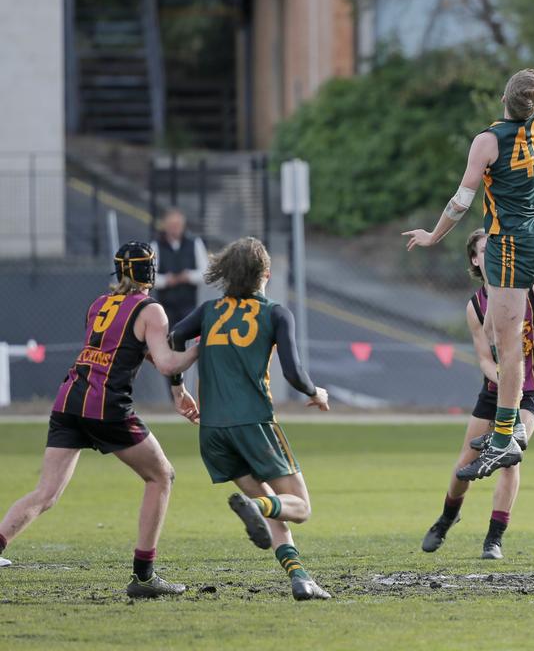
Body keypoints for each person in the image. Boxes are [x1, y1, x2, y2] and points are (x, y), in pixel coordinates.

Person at [404, 0, 534, 480]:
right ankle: (507, 424)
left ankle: (505, 436)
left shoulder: (488, 140)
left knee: (508, 344)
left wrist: (434, 235)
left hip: (509, 243)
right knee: (496, 331)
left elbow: (461, 200)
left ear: (503, 100)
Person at [0, 242, 199, 597]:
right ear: (149, 272)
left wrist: (178, 391)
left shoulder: (98, 304)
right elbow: (166, 361)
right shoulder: (152, 310)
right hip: (106, 407)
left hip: (69, 400)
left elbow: (130, 350)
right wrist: (202, 347)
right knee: (161, 476)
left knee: (45, 493)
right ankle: (143, 577)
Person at [169, 237, 333, 601]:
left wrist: (178, 388)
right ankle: (254, 508)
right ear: (267, 275)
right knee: (300, 508)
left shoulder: (209, 309)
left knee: (275, 510)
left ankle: (300, 579)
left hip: (213, 431)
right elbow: (293, 373)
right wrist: (315, 393)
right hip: (254, 424)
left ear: (225, 274)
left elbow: (176, 336)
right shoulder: (275, 313)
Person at [421, 229, 534, 559]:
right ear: (476, 260)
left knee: (510, 456)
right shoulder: (475, 306)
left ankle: (494, 538)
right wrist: (506, 381)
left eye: (496, 249)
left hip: (533, 389)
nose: (492, 255)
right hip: (495, 389)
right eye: (484, 251)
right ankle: (447, 518)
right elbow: (484, 359)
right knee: (466, 461)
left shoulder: (532, 286)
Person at [151, 208, 208, 401]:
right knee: (171, 350)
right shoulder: (156, 245)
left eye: (178, 225)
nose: (175, 229)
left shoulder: (194, 243)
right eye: (171, 225)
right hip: (166, 308)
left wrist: (186, 276)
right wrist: (167, 280)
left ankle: (202, 393)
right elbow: (151, 278)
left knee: (200, 347)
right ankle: (176, 395)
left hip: (189, 307)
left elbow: (204, 272)